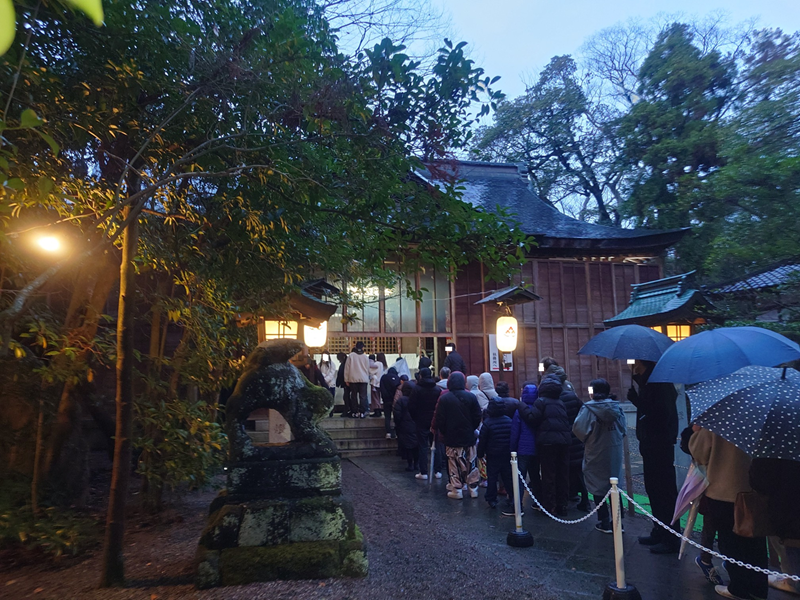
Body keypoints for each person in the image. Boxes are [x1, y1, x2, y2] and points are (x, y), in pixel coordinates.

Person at [690, 426, 768, 600]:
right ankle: (759, 589)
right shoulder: (759, 418)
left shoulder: (719, 420)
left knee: (730, 542)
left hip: (724, 490)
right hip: (753, 489)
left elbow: (700, 453)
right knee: (755, 541)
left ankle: (738, 588)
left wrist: (696, 432)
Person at [628, 359, 680, 554]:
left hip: (660, 444)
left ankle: (671, 538)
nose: (631, 364)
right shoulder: (649, 383)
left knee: (663, 492)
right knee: (653, 490)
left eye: (635, 361)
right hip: (651, 444)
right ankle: (659, 530)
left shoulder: (660, 384)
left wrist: (637, 400)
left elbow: (660, 415)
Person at [572, 379, 627, 533]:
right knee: (614, 484)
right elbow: (623, 429)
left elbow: (579, 429)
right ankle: (618, 521)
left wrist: (588, 439)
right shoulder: (616, 407)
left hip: (595, 450)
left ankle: (603, 521)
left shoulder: (589, 409)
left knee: (597, 485)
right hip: (613, 450)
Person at [518, 377, 571, 516]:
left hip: (547, 442)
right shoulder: (560, 402)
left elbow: (532, 418)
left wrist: (522, 406)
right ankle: (562, 504)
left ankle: (549, 506)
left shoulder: (541, 402)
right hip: (564, 441)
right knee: (562, 473)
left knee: (549, 474)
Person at [749, 458, 800, 596]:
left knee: (792, 551)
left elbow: (759, 480)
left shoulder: (778, 447)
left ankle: (792, 581)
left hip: (787, 512)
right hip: (789, 512)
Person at [433, 371, 482, 499]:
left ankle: (457, 489)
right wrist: (472, 427)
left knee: (453, 462)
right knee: (471, 461)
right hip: (468, 434)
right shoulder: (470, 396)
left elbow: (440, 419)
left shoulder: (444, 398)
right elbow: (477, 415)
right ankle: (473, 488)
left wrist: (444, 431)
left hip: (451, 436)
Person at [548, 366, 590, 512]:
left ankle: (564, 500)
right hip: (576, 437)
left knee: (563, 470)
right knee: (579, 471)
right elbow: (583, 410)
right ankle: (585, 499)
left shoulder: (555, 399)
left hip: (563, 438)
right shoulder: (572, 395)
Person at [477, 397, 513, 511]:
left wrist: (480, 453)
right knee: (507, 476)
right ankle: (512, 497)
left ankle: (491, 498)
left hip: (493, 454)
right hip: (506, 453)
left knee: (492, 476)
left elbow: (482, 440)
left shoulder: (488, 423)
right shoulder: (509, 420)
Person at [408, 367, 443, 480]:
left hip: (421, 420)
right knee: (436, 445)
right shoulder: (437, 389)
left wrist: (416, 418)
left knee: (423, 446)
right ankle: (437, 470)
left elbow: (411, 406)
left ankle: (423, 471)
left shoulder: (417, 389)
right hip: (434, 420)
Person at [511, 384, 540, 513]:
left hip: (522, 448)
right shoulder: (539, 410)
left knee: (520, 477)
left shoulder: (519, 411)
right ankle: (539, 502)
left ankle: (517, 505)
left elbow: (515, 432)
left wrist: (512, 449)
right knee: (535, 477)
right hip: (537, 448)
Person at [392, 381, 418, 471]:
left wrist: (398, 424)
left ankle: (410, 463)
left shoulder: (401, 400)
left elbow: (397, 414)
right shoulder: (417, 399)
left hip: (405, 426)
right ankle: (417, 463)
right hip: (416, 425)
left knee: (408, 446)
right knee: (416, 445)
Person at [344, 342, 370, 418]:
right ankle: (362, 412)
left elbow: (347, 368)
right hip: (363, 379)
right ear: (362, 348)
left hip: (353, 379)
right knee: (363, 396)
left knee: (354, 396)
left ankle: (354, 412)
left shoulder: (351, 356)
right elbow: (367, 368)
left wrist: (346, 379)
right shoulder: (365, 357)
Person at [379, 366, 401, 439]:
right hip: (395, 401)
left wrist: (384, 397)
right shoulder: (397, 378)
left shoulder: (383, 378)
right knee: (396, 417)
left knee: (387, 417)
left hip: (386, 400)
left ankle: (388, 432)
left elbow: (381, 389)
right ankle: (396, 432)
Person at [336, 352, 351, 417]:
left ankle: (347, 409)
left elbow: (342, 373)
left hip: (347, 382)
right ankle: (348, 409)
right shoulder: (345, 363)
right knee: (346, 397)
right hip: (346, 382)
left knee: (346, 397)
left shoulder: (345, 364)